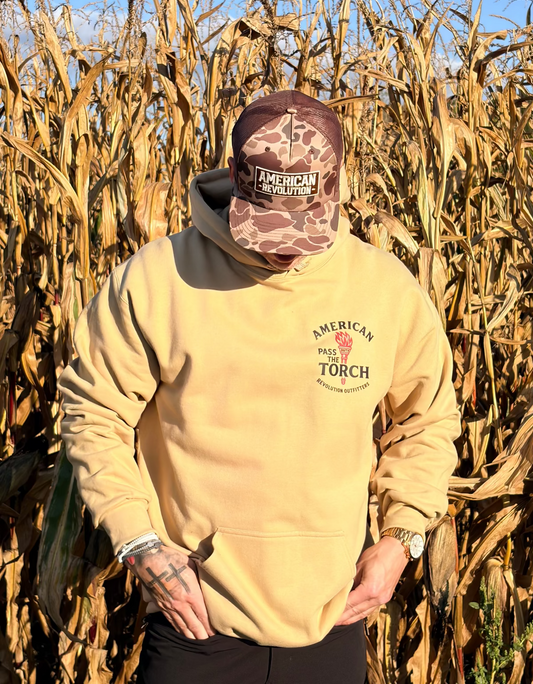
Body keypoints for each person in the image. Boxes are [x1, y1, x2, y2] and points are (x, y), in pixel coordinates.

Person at [59, 90, 460, 684]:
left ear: (336, 191)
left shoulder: (385, 290)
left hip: (332, 619)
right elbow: (93, 411)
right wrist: (141, 545)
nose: (281, 249)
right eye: (266, 225)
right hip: (196, 624)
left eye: (302, 231)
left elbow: (427, 420)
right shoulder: (158, 279)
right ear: (236, 183)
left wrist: (402, 540)